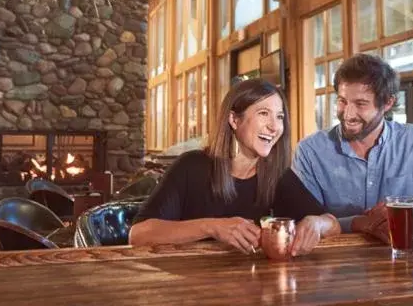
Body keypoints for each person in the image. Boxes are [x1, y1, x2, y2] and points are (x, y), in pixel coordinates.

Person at [130, 78, 340, 255]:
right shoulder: (191, 166)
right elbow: (139, 235)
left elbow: (333, 225)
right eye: (263, 113)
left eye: (280, 116)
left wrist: (317, 224)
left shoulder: (279, 178)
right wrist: (212, 227)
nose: (274, 127)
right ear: (234, 119)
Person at [292, 54, 413, 242]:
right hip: (331, 266)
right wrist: (359, 222)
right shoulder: (310, 151)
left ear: (387, 103)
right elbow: (301, 226)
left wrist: (412, 217)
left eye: (360, 104)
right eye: (342, 101)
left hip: (403, 260)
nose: (348, 114)